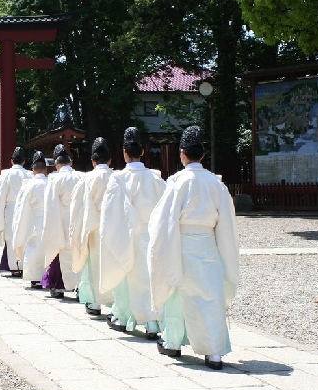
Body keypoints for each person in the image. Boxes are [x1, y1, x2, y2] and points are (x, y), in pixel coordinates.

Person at [147, 125, 240, 370]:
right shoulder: (215, 184)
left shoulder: (178, 183)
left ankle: (173, 342)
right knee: (210, 297)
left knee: (178, 294)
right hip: (208, 245)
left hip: (182, 245)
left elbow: (163, 220)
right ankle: (215, 352)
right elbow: (227, 224)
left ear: (182, 154)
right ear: (203, 155)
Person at [98, 126, 166, 340]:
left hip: (125, 236)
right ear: (143, 152)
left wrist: (108, 235)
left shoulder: (118, 179)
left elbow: (110, 213)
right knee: (150, 279)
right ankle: (153, 323)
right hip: (150, 236)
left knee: (125, 277)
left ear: (124, 152)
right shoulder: (156, 179)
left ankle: (123, 316)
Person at [70, 137, 114, 316]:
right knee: (113, 263)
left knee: (92, 264)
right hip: (113, 225)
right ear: (110, 160)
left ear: (92, 161)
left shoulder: (87, 178)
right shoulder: (116, 177)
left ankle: (94, 303)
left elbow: (77, 207)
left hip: (93, 226)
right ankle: (115, 303)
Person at [41, 144, 83, 299]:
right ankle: (81, 287)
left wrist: (50, 227)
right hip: (78, 218)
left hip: (61, 218)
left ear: (57, 164)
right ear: (70, 162)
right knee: (79, 252)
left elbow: (50, 205)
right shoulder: (81, 176)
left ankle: (58, 286)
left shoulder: (54, 179)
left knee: (59, 251)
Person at [0, 146, 30, 276]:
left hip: (10, 209)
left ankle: (14, 267)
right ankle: (25, 265)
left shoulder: (6, 175)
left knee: (11, 237)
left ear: (12, 161)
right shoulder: (29, 174)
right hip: (26, 210)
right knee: (25, 236)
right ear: (24, 161)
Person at [11, 151, 49, 289]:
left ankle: (35, 277)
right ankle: (47, 276)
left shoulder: (27, 186)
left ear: (33, 169)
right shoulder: (50, 183)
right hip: (49, 220)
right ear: (45, 169)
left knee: (33, 246)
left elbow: (21, 209)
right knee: (47, 248)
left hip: (33, 219)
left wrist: (19, 227)